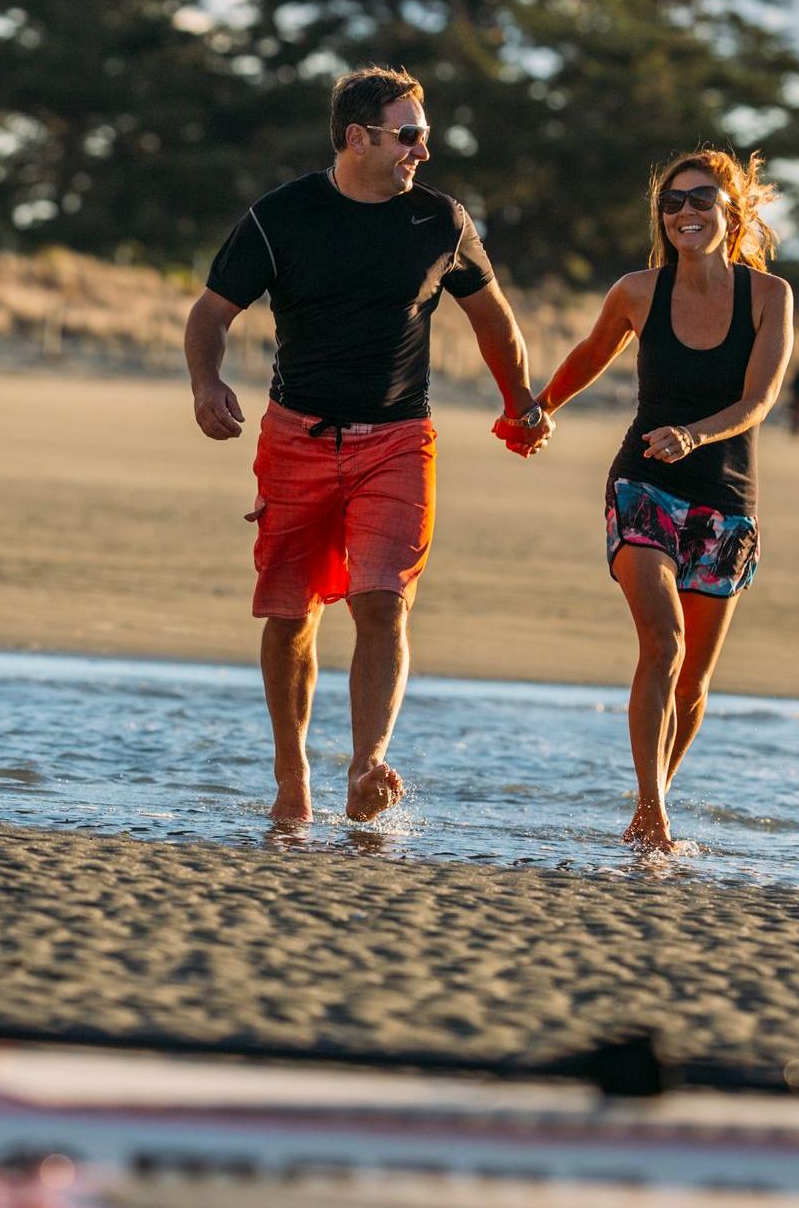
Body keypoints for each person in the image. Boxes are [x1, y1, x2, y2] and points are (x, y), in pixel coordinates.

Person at [186, 66, 551, 828]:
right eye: (409, 135)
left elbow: (496, 325)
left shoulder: (441, 222)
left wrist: (522, 405)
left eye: (425, 135)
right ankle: (293, 779)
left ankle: (364, 763)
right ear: (358, 138)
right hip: (296, 439)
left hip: (398, 439)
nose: (423, 151)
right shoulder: (280, 217)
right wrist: (207, 383)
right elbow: (211, 313)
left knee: (383, 601)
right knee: (290, 616)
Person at [528, 148, 794, 853]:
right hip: (643, 484)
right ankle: (653, 813)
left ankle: (653, 802)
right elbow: (591, 353)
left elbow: (759, 398)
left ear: (731, 210)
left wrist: (696, 436)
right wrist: (540, 407)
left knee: (694, 685)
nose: (685, 213)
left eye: (701, 199)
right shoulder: (638, 291)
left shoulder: (769, 298)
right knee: (664, 642)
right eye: (672, 204)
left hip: (726, 504)